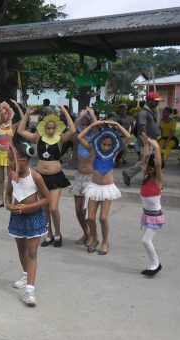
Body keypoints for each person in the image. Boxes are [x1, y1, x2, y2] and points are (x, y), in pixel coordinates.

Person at [17, 105, 76, 248]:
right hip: (41, 177)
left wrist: (65, 112)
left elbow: (73, 130)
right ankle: (48, 234)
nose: (50, 131)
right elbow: (20, 130)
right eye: (48, 128)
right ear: (44, 127)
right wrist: (27, 114)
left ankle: (57, 234)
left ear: (56, 128)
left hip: (56, 177)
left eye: (52, 128)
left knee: (53, 208)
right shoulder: (38, 137)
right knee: (45, 208)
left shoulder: (60, 138)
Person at [5, 142, 50, 306]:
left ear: (23, 160)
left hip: (33, 218)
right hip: (17, 218)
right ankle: (25, 275)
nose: (10, 164)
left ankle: (30, 291)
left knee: (31, 252)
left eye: (12, 160)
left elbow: (47, 198)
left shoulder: (36, 176)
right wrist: (9, 205)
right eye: (9, 160)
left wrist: (28, 207)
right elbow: (8, 195)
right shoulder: (13, 175)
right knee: (21, 249)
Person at [77, 120, 131, 254]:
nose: (106, 147)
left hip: (107, 188)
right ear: (99, 142)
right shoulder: (93, 151)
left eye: (109, 145)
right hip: (94, 187)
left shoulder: (114, 153)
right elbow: (79, 137)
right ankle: (94, 238)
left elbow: (128, 137)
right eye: (104, 144)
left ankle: (105, 241)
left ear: (112, 145)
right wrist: (92, 125)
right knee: (90, 218)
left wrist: (117, 124)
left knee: (103, 218)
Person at [122, 92, 163, 186]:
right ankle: (129, 174)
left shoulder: (150, 112)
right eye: (155, 101)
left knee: (148, 162)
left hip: (151, 141)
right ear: (149, 101)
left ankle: (147, 180)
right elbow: (143, 127)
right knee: (145, 161)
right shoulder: (143, 113)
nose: (157, 103)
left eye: (158, 102)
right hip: (146, 142)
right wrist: (146, 142)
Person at [70, 108, 97, 245]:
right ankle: (86, 233)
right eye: (84, 124)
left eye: (88, 124)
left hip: (91, 178)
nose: (85, 127)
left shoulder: (96, 140)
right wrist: (80, 117)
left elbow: (97, 129)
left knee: (87, 210)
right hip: (79, 176)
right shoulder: (79, 139)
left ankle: (93, 236)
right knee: (78, 209)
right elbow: (73, 129)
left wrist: (92, 116)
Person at [139, 137, 164, 276]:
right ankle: (153, 264)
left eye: (149, 167)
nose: (145, 167)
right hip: (146, 216)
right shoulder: (146, 177)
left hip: (155, 217)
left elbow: (158, 165)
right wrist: (146, 143)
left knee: (145, 240)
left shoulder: (158, 179)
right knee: (145, 242)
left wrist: (157, 147)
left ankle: (156, 265)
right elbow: (146, 158)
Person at [0, 98, 22, 208]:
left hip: (9, 155)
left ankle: (8, 198)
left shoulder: (12, 126)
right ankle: (1, 201)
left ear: (9, 115)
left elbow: (23, 119)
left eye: (6, 112)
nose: (4, 114)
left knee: (11, 178)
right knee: (1, 179)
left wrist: (18, 107)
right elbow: (1, 112)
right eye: (2, 113)